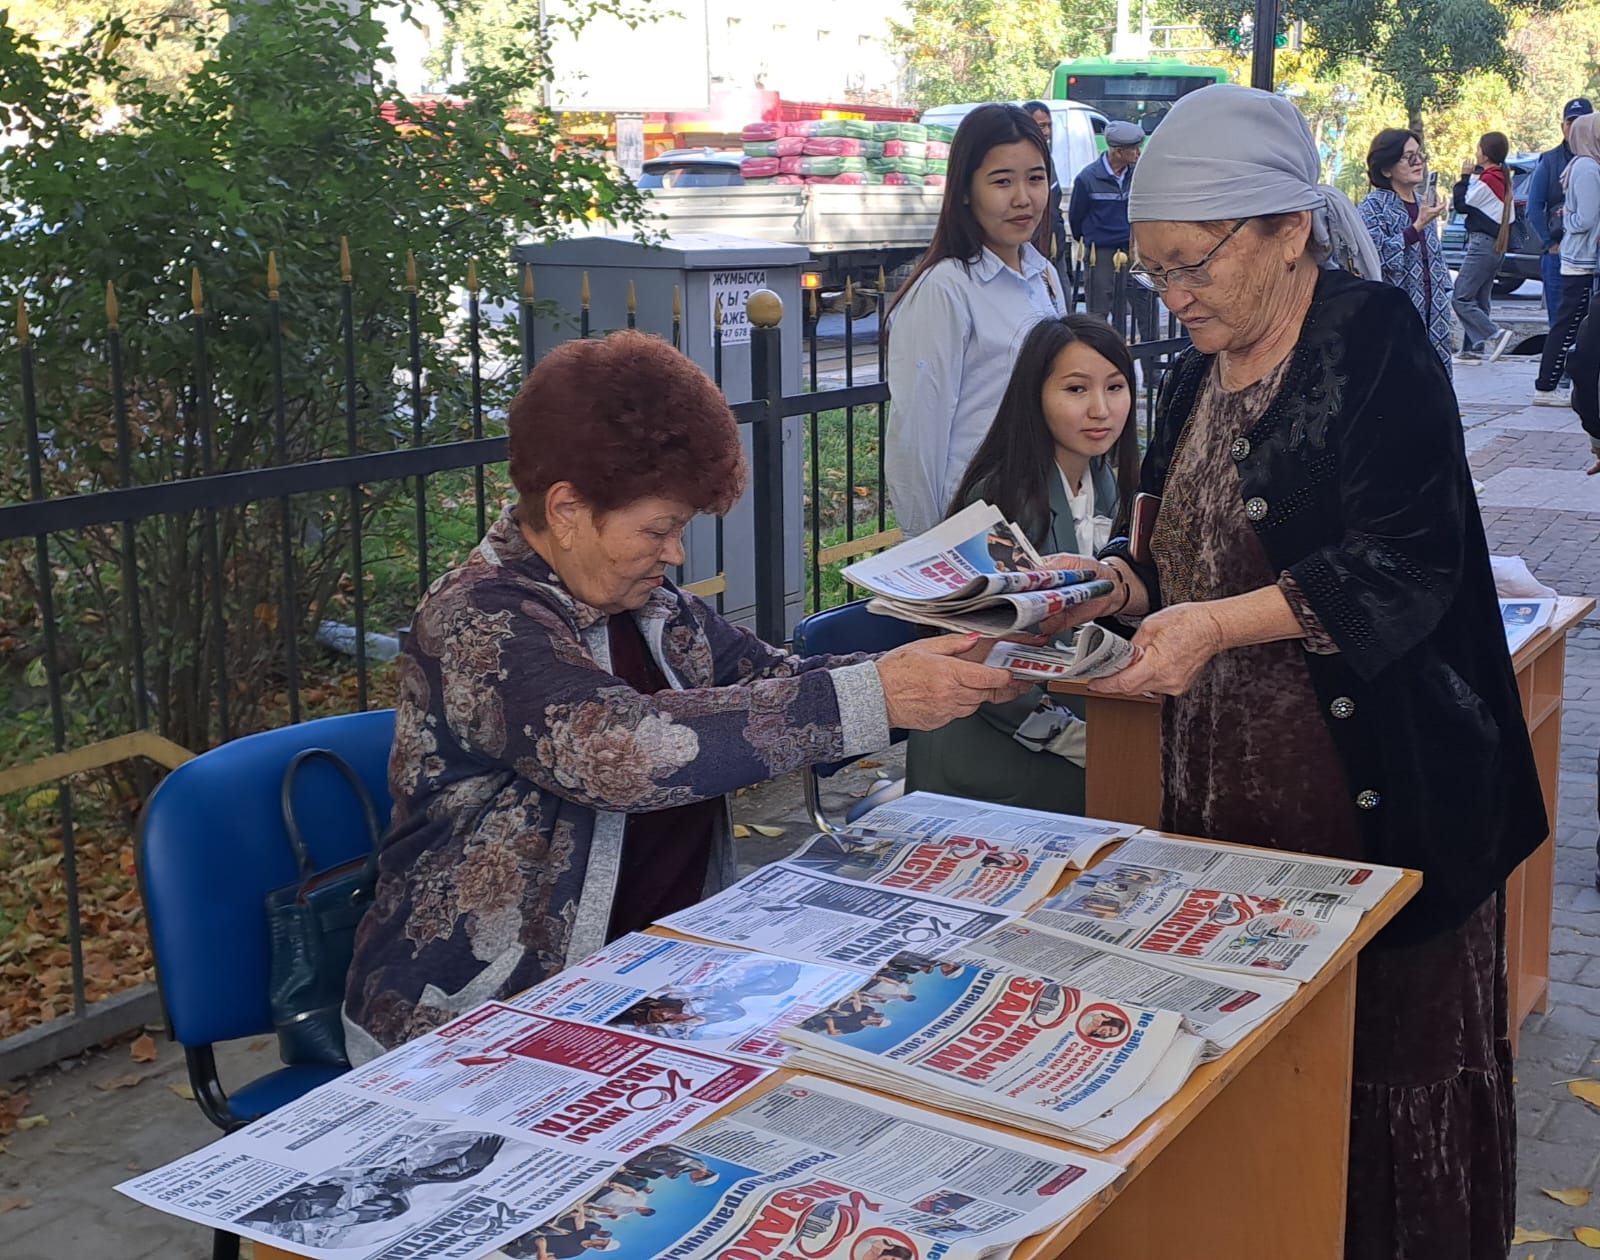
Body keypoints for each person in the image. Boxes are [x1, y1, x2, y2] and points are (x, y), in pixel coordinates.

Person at [1046, 83, 1546, 1259]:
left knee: (1381, 1076)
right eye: (1152, 271)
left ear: (1284, 230)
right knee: (1263, 1089)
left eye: (1192, 267)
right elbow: (1176, 546)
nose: (1172, 298)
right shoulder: (1192, 366)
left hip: (1382, 801)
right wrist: (1113, 589)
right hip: (1236, 797)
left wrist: (1214, 627)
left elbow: (1408, 562)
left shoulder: (1370, 342)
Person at [341, 331, 1027, 1061]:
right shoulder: (479, 618)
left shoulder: (649, 607)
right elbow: (624, 751)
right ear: (567, 508)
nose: (674, 555)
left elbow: (771, 681)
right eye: (660, 529)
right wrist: (875, 697)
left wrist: (959, 655)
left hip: (650, 980)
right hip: (479, 1015)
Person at [904, 316, 1139, 813]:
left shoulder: (1105, 479)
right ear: (1035, 395)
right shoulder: (999, 499)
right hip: (996, 748)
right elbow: (980, 654)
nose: (1101, 409)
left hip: (1076, 721)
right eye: (1076, 389)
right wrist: (1083, 744)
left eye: (1116, 387)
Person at [885, 103, 1065, 539]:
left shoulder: (1045, 277)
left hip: (1042, 513)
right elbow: (917, 436)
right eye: (1002, 181)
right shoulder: (946, 289)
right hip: (970, 525)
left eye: (1035, 178)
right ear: (965, 190)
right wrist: (928, 545)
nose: (1023, 198)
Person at [1357, 129, 1453, 372]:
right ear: (1386, 168)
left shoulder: (1425, 203)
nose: (1417, 162)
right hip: (1397, 313)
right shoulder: (1373, 205)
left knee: (1436, 379)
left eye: (1419, 155)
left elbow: (1433, 258)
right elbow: (1375, 257)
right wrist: (1418, 225)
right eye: (1407, 156)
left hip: (1435, 311)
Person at [1068, 121, 1158, 340]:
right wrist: (1092, 239)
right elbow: (1076, 217)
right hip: (1102, 252)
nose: (1138, 153)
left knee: (1146, 306)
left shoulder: (1139, 175)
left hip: (1134, 248)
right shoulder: (1088, 178)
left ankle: (1152, 369)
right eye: (1134, 149)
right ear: (1118, 152)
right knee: (1099, 310)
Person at [1534, 112, 1600, 407]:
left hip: (1580, 255)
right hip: (1581, 257)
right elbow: (1584, 219)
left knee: (1571, 322)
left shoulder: (1582, 164)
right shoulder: (1587, 168)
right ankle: (1547, 386)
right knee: (1570, 323)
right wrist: (1568, 218)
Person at [1526, 97, 1595, 345]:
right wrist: (1549, 244)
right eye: (1570, 122)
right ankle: (1560, 374)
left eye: (1582, 122)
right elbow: (1534, 208)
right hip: (1559, 254)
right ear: (1562, 126)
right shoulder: (1549, 160)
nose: (1575, 128)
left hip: (1592, 256)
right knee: (1561, 321)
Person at [1449, 131, 1517, 364]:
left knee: (1460, 297)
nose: (1476, 152)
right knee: (1479, 298)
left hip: (1482, 245)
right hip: (1496, 246)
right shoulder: (1502, 178)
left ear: (1486, 153)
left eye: (1479, 148)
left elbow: (1462, 204)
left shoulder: (1489, 180)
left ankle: (1494, 334)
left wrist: (1464, 177)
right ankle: (1472, 350)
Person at [1024, 99, 1071, 292]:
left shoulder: (1045, 158)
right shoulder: (1020, 159)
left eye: (1049, 126)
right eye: (1041, 126)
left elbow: (1053, 203)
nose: (1047, 132)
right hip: (1031, 245)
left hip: (1052, 242)